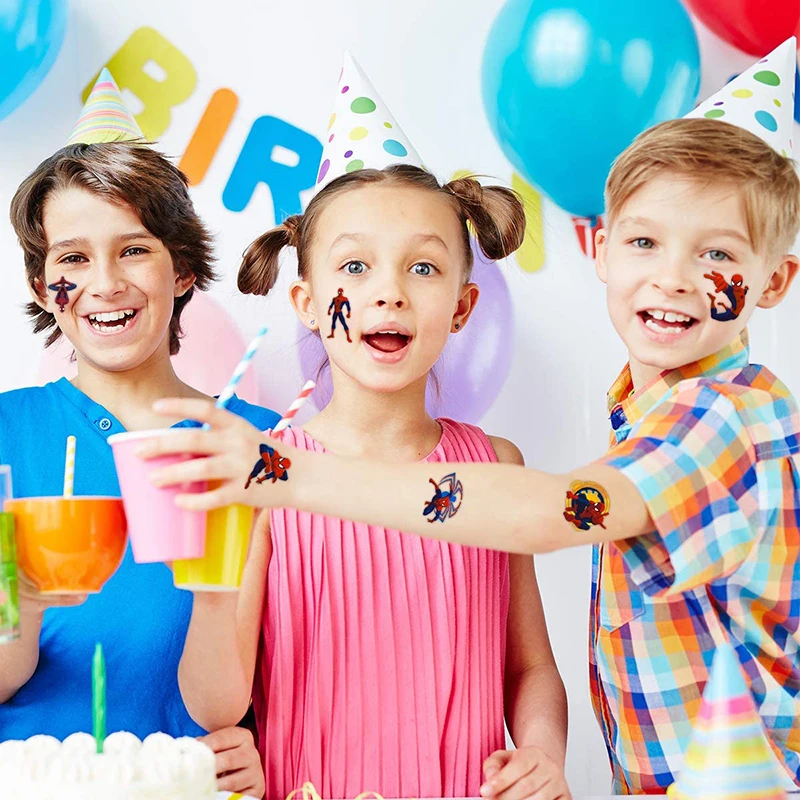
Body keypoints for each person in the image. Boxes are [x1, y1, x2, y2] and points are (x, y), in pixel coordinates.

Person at [144, 48, 800, 795]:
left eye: (716, 252)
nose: (673, 276)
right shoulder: (652, 421)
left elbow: (553, 515)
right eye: (646, 241)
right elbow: (223, 690)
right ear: (604, 249)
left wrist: (282, 475)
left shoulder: (721, 418)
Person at [148, 56, 570, 800]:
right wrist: (211, 577)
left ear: (463, 307)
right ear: (308, 303)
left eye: (423, 269)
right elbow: (217, 703)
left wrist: (541, 753)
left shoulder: (497, 467)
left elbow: (530, 665)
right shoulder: (265, 472)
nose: (388, 293)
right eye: (354, 267)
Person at [0, 70, 272, 798]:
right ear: (41, 288)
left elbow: (299, 666)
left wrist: (270, 749)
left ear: (182, 270)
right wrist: (21, 606)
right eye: (72, 259)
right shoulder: (5, 434)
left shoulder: (262, 447)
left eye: (134, 250)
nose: (105, 282)